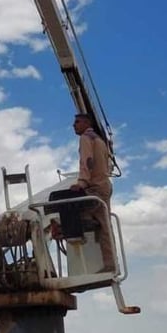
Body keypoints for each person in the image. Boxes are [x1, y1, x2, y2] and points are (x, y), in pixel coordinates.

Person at [71, 113, 116, 273]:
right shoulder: (101, 141)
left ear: (86, 123)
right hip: (105, 185)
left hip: (95, 188)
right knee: (105, 227)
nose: (74, 125)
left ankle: (83, 255)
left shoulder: (86, 138)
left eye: (77, 122)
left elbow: (87, 161)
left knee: (71, 212)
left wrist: (82, 182)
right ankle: (111, 264)